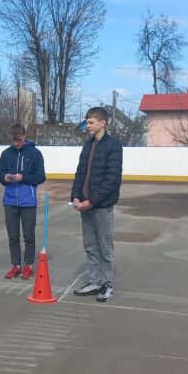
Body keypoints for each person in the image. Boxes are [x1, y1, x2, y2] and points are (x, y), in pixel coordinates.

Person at [70, 107, 122, 302]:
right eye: (87, 121)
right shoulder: (86, 146)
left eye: (91, 122)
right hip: (84, 205)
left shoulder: (113, 146)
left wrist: (91, 202)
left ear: (103, 123)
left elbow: (111, 180)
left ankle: (106, 284)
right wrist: (76, 196)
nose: (88, 125)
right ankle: (94, 281)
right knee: (90, 246)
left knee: (104, 247)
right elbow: (79, 173)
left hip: (100, 206)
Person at [0, 123, 46, 280]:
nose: (16, 143)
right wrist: (4, 178)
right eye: (13, 140)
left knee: (28, 235)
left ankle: (28, 265)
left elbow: (40, 177)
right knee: (13, 235)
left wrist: (24, 177)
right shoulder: (6, 154)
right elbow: (0, 173)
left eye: (19, 140)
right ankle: (15, 265)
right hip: (10, 200)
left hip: (28, 201)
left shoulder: (35, 153)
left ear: (24, 136)